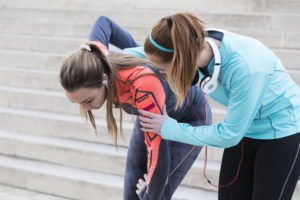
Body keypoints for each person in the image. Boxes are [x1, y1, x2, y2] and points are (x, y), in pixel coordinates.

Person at [138, 12, 300, 200]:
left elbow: (229, 135)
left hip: (283, 131)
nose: (160, 74)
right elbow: (136, 54)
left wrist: (169, 128)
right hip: (246, 129)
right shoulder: (188, 41)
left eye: (163, 70)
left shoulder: (246, 68)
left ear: (181, 60)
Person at [60, 16, 212, 200]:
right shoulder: (97, 58)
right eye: (78, 103)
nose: (85, 109)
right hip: (151, 115)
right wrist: (140, 56)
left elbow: (158, 151)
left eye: (87, 100)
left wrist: (150, 195)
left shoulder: (144, 85)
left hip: (189, 119)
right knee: (132, 193)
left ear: (104, 79)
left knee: (154, 194)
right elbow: (103, 22)